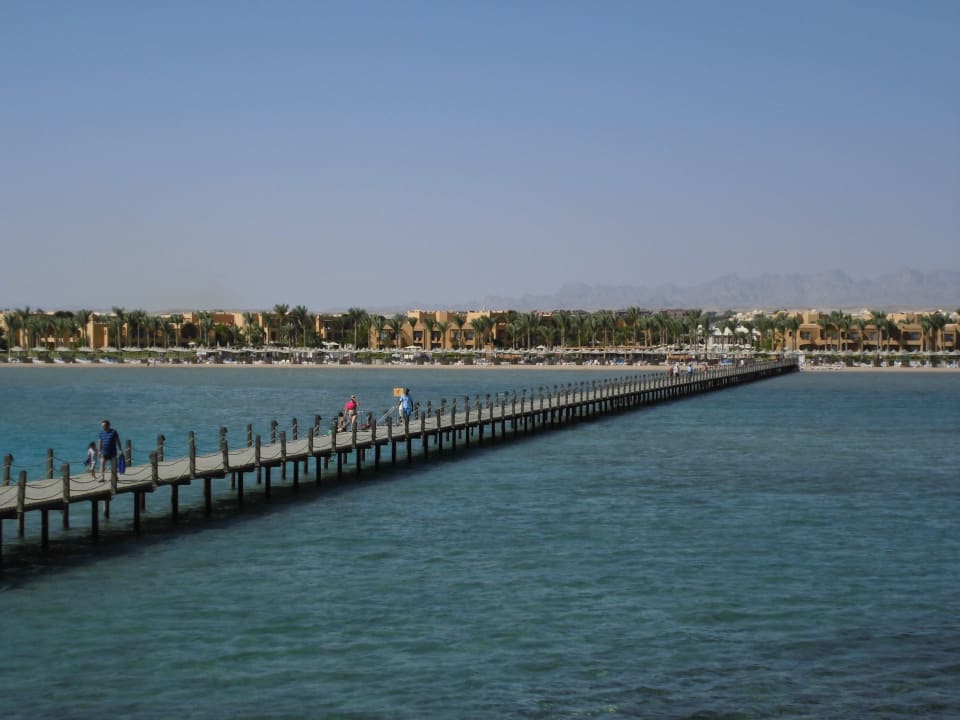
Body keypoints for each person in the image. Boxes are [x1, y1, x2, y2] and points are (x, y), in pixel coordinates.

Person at [98, 419, 123, 483]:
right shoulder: (101, 432)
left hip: (112, 452)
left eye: (104, 426)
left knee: (114, 465)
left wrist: (120, 449)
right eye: (102, 426)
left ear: (108, 425)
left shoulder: (114, 432)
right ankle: (102, 477)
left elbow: (118, 441)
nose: (103, 427)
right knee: (102, 464)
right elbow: (100, 442)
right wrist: (99, 451)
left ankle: (115, 477)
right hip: (104, 452)